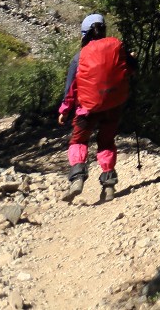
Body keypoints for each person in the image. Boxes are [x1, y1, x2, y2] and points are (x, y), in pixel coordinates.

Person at [57, 13, 135, 201]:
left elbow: (71, 89)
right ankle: (109, 186)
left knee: (78, 141)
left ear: (85, 34)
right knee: (106, 143)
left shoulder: (79, 57)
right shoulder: (118, 47)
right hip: (113, 106)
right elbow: (131, 70)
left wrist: (64, 110)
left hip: (86, 109)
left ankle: (77, 178)